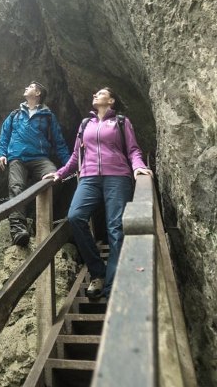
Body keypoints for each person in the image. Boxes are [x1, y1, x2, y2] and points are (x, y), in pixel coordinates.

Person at [43, 87, 152, 298]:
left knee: (116, 228)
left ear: (111, 100)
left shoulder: (121, 122)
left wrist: (138, 166)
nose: (94, 94)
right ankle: (98, 273)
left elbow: (133, 149)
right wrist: (60, 173)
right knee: (75, 217)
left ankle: (112, 286)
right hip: (89, 178)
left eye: (100, 93)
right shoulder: (85, 124)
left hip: (117, 177)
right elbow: (77, 155)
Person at [0, 81, 70, 246]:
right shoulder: (15, 114)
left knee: (53, 178)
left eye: (30, 86)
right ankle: (18, 229)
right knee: (16, 186)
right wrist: (2, 154)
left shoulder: (47, 116)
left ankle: (40, 222)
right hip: (17, 157)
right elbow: (5, 134)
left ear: (38, 93)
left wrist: (69, 166)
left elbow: (59, 143)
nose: (25, 88)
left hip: (39, 158)